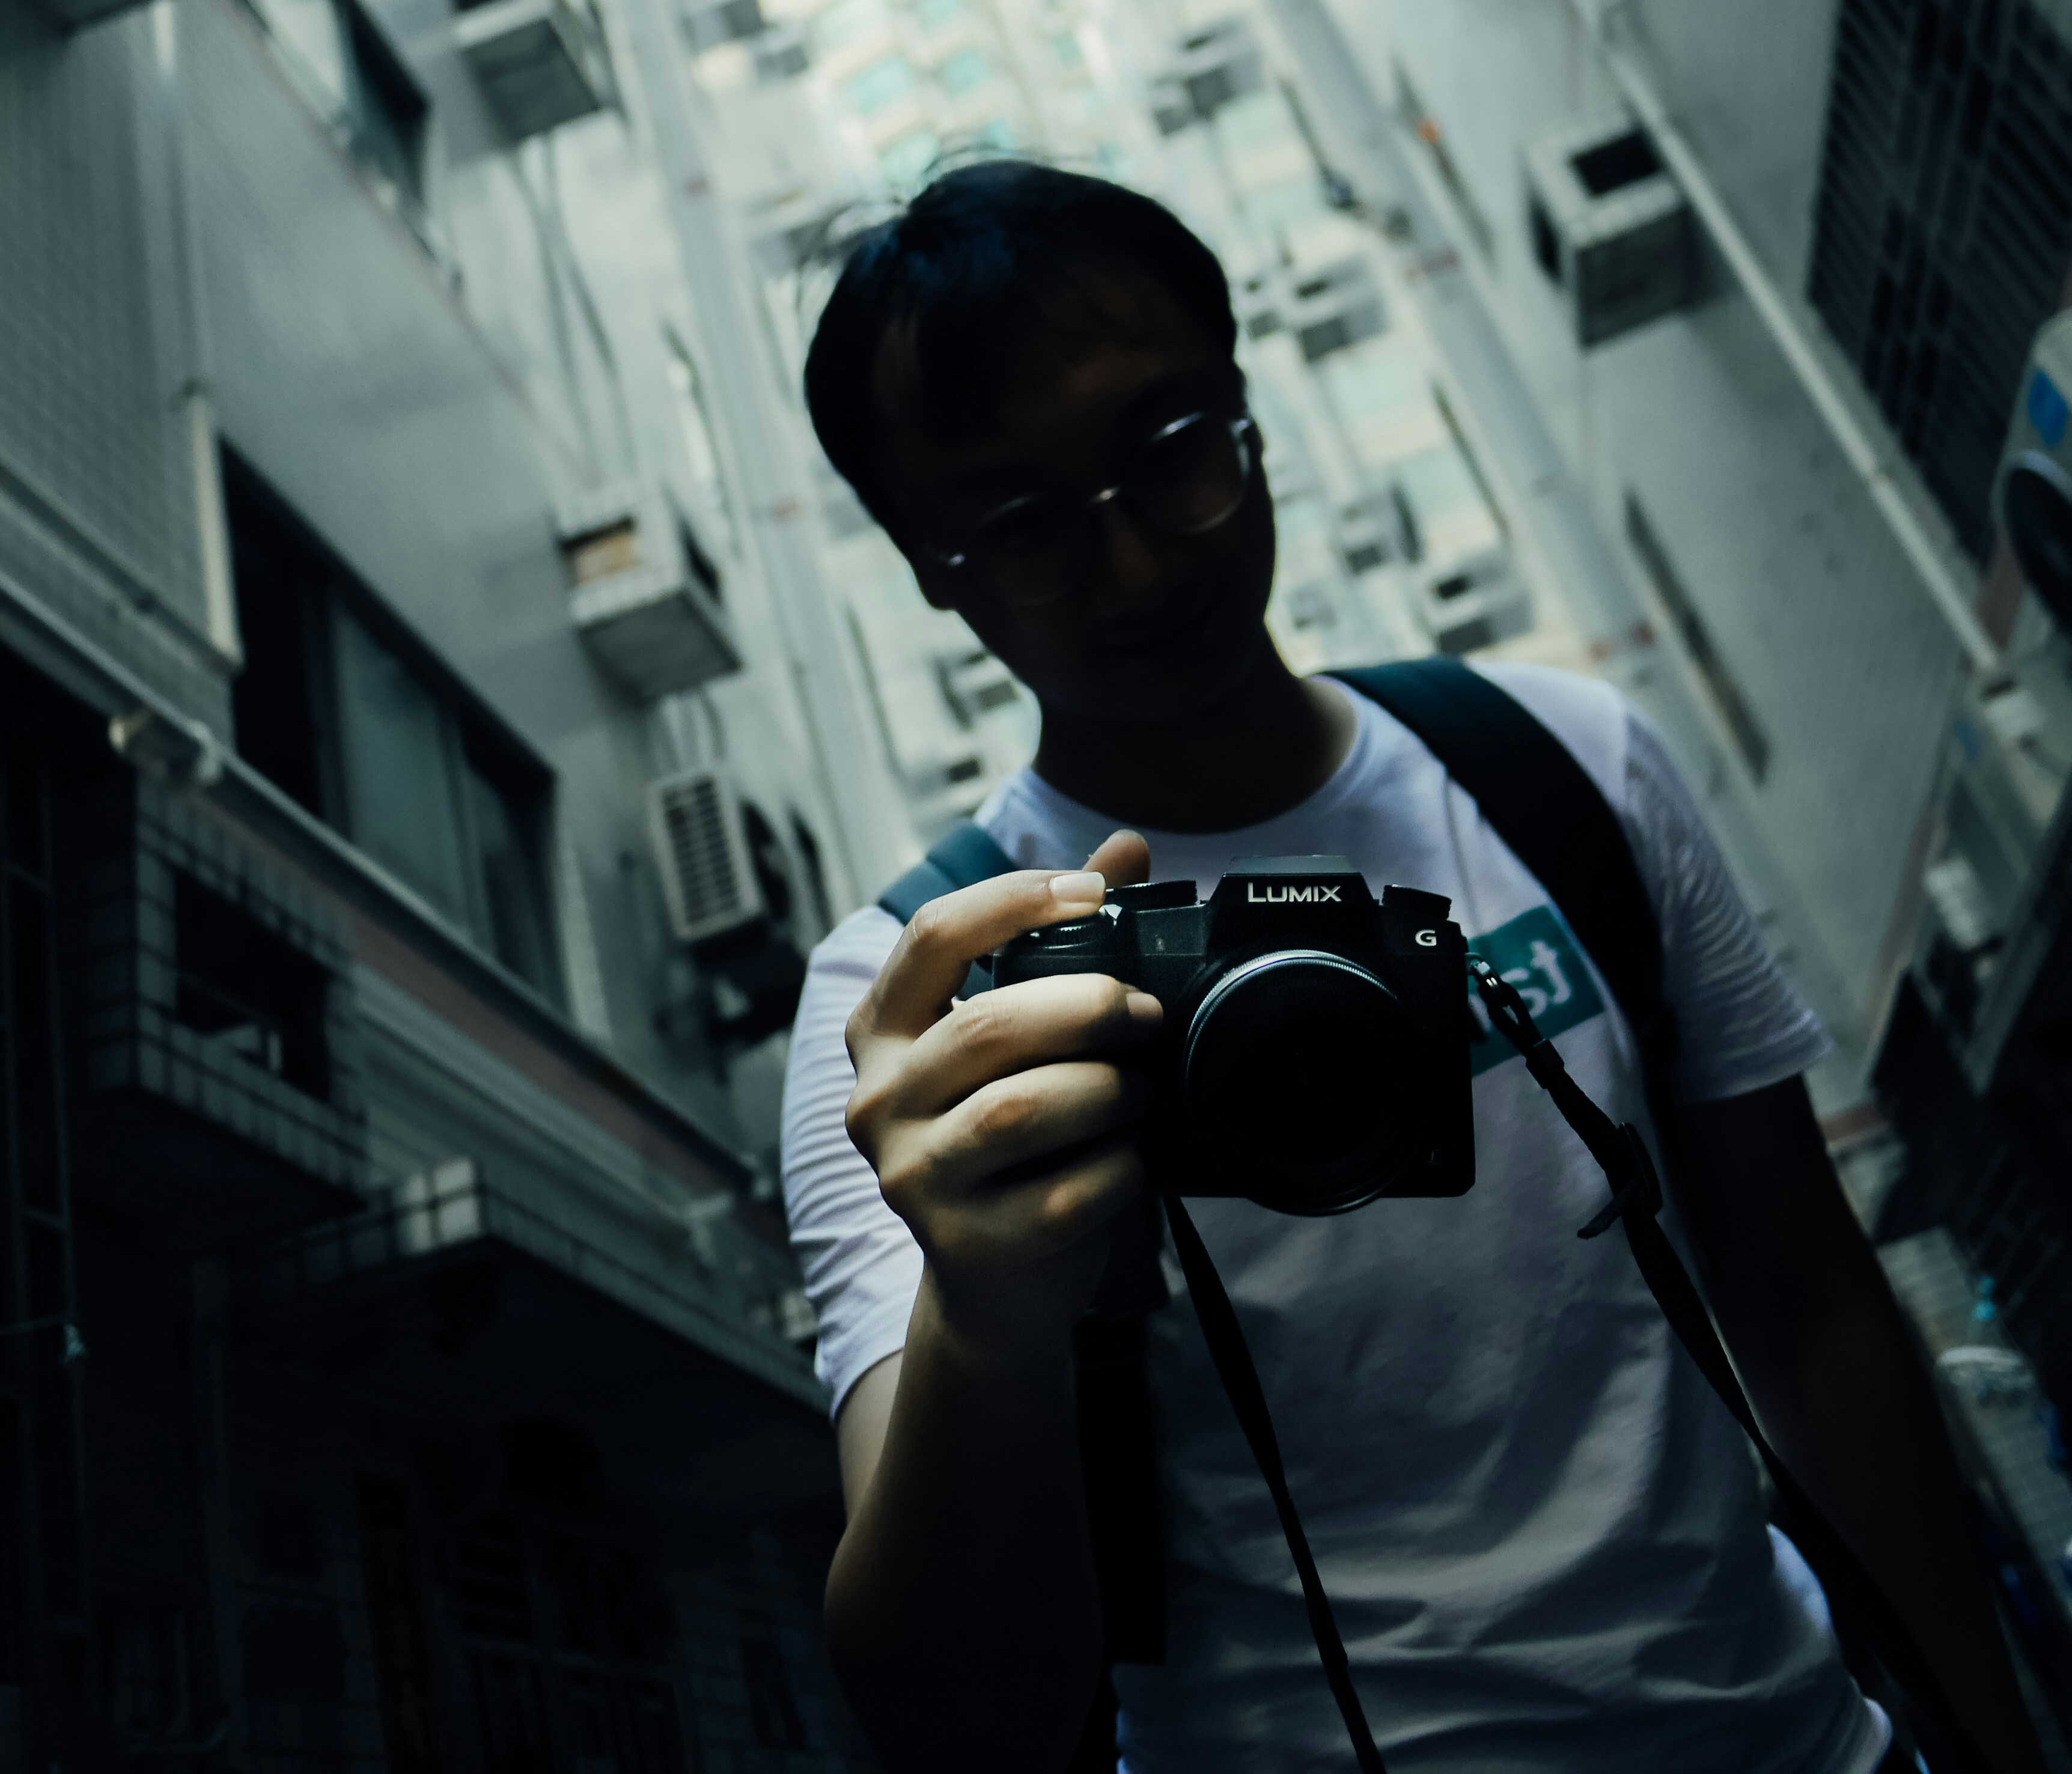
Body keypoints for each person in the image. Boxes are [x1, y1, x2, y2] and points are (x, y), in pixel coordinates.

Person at [778, 160, 2041, 1774]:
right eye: (1021, 526)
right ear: (928, 570)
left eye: (1171, 454)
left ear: (1247, 412)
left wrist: (1987, 1732)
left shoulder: (1566, 767)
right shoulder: (914, 998)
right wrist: (985, 1307)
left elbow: (1811, 1311)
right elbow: (953, 1725)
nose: (1140, 568)